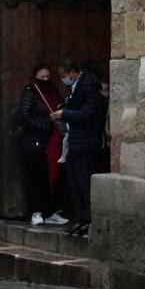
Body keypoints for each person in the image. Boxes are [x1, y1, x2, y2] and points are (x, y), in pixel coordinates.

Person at [51, 58, 107, 238]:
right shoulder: (76, 87)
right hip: (76, 141)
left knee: (83, 183)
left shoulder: (88, 86)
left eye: (65, 76)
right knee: (75, 183)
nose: (63, 79)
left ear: (74, 72)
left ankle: (87, 220)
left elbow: (88, 113)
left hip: (86, 142)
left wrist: (65, 113)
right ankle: (80, 219)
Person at [16, 64, 68, 227]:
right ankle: (36, 211)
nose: (45, 80)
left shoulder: (53, 91)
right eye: (42, 77)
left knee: (52, 177)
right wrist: (46, 123)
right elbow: (24, 116)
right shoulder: (30, 93)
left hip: (54, 141)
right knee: (37, 177)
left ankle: (50, 211)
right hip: (35, 142)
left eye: (47, 77)